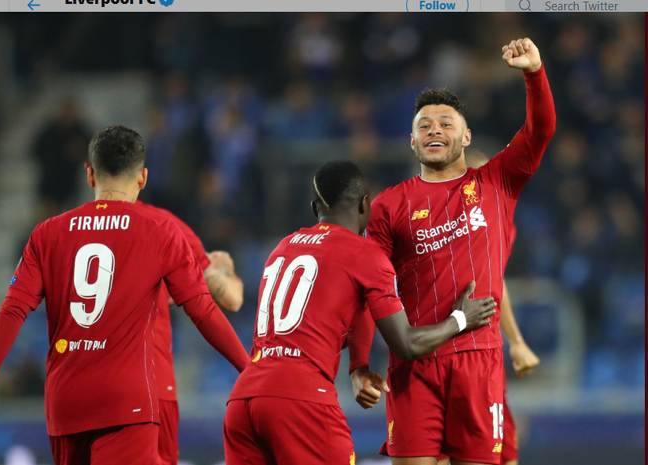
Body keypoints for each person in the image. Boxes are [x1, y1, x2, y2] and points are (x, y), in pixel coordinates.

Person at [0, 126, 250, 465]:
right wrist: (248, 371)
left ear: (89, 173)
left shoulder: (47, 233)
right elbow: (203, 311)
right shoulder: (159, 230)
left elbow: (12, 311)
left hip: (65, 400)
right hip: (126, 401)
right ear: (142, 178)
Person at [349, 38, 555, 465]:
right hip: (414, 367)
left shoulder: (496, 183)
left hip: (478, 364)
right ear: (411, 141)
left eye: (446, 123)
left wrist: (534, 75)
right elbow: (371, 290)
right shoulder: (389, 205)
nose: (435, 131)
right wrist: (358, 363)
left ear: (466, 135)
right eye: (425, 125)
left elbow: (541, 131)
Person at [223, 161, 498, 465]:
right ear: (366, 204)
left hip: (243, 400)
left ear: (316, 207)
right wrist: (460, 319)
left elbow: (325, 323)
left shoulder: (283, 247)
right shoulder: (365, 254)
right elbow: (405, 344)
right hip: (300, 400)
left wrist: (358, 367)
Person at [435, 149, 541, 465]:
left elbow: (496, 282)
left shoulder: (500, 223)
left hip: (483, 358)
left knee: (503, 455)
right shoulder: (440, 226)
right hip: (440, 357)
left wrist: (517, 342)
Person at [135, 199, 244, 465]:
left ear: (90, 174)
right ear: (141, 176)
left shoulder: (61, 229)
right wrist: (224, 266)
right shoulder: (163, 225)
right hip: (149, 387)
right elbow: (232, 299)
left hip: (80, 385)